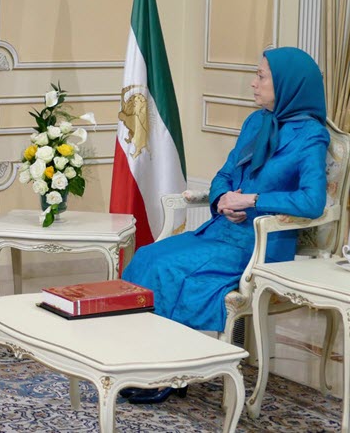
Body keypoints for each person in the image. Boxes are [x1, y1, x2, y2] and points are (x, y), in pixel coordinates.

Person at [121, 46, 329, 404]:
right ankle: (144, 362)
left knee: (171, 270)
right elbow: (225, 174)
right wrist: (221, 199)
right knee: (146, 257)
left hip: (260, 245)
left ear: (287, 84)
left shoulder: (311, 135)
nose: (253, 83)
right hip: (221, 232)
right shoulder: (256, 122)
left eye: (261, 77)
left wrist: (252, 200)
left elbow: (312, 201)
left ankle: (170, 373)